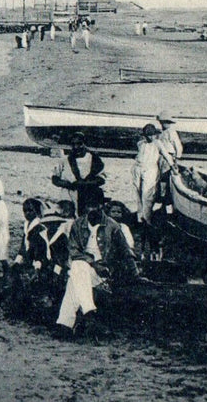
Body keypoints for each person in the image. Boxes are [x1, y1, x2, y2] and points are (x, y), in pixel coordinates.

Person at [55, 192, 138, 337]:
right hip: (85, 268)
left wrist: (135, 273)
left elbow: (125, 251)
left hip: (104, 271)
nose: (92, 209)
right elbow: (73, 251)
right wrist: (93, 263)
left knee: (75, 277)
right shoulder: (78, 224)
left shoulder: (112, 226)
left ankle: (65, 324)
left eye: (96, 205)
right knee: (79, 267)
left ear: (102, 206)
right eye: (89, 206)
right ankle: (88, 312)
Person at [132, 123, 169, 258]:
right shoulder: (140, 144)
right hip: (139, 169)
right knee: (138, 192)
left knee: (148, 194)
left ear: (155, 134)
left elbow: (166, 155)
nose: (149, 137)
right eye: (147, 135)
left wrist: (173, 166)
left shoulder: (158, 144)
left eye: (151, 135)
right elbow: (139, 155)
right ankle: (140, 216)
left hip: (151, 170)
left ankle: (146, 218)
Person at [51, 132, 107, 215]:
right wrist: (68, 184)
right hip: (69, 195)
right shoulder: (64, 160)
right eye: (73, 144)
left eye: (79, 144)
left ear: (84, 144)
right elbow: (55, 178)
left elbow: (102, 179)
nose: (76, 147)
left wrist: (84, 184)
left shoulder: (94, 159)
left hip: (89, 195)